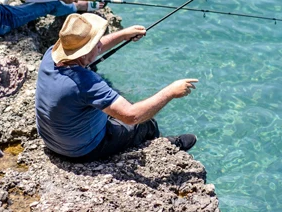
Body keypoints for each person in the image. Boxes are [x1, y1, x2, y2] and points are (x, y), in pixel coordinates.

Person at [35, 12, 198, 162]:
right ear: (83, 53)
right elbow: (131, 116)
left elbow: (91, 51)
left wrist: (122, 35)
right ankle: (164, 147)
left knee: (114, 103)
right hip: (81, 150)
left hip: (51, 141)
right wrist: (171, 92)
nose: (99, 45)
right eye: (95, 43)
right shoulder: (86, 83)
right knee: (145, 124)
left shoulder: (51, 54)